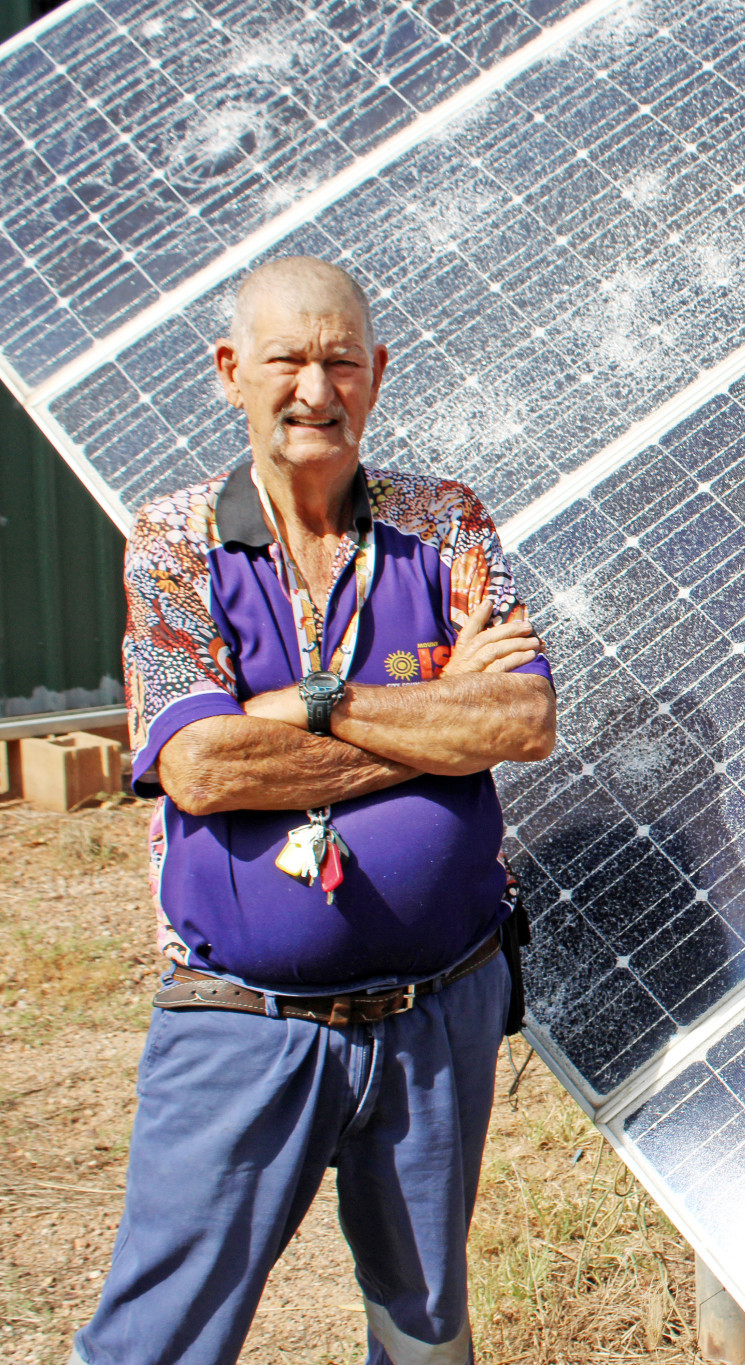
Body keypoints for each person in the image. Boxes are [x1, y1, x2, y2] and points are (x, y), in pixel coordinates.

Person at [75, 256, 556, 1365]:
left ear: (377, 372)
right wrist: (428, 718)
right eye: (287, 359)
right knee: (161, 1335)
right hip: (245, 1020)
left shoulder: (443, 523)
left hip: (440, 1007)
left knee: (424, 1331)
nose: (315, 389)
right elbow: (201, 767)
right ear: (230, 370)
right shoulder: (176, 541)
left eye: (342, 360)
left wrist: (303, 707)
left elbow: (523, 723)